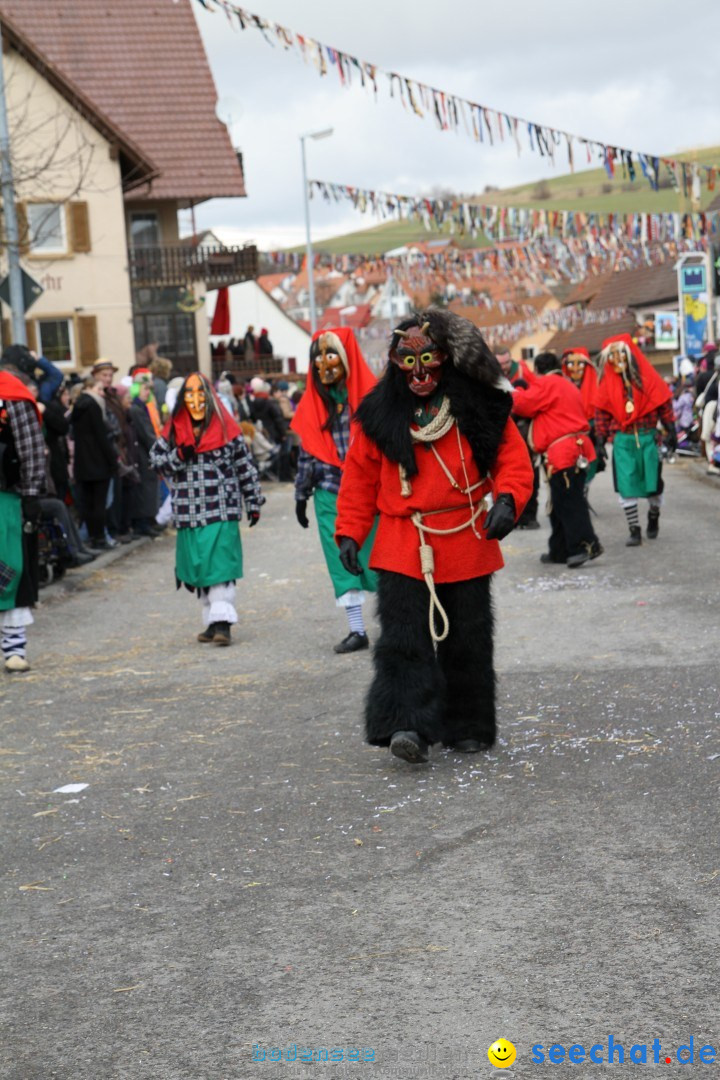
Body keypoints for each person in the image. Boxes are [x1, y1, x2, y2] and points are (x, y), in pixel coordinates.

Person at [334, 310, 533, 764]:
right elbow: (359, 478)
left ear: (445, 359)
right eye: (409, 361)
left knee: (468, 638)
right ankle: (408, 726)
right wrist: (349, 531)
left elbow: (511, 460)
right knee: (404, 640)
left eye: (429, 360)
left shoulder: (476, 406)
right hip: (404, 542)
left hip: (465, 537)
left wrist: (508, 500)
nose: (420, 373)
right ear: (395, 361)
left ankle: (468, 724)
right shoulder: (379, 414)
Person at [149, 372, 262, 647]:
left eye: (201, 394)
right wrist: (179, 455)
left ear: (210, 398)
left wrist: (254, 500)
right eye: (190, 395)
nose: (196, 400)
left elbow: (244, 466)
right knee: (199, 566)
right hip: (189, 511)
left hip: (221, 507)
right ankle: (212, 622)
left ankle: (224, 624)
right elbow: (155, 461)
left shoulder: (226, 428)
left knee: (219, 565)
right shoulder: (175, 429)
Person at [292, 327, 378, 654]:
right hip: (330, 494)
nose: (325, 363)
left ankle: (398, 624)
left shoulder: (370, 399)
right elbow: (308, 451)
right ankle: (357, 630)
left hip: (370, 494)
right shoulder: (313, 404)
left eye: (331, 355)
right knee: (340, 562)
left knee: (381, 559)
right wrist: (301, 495)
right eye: (318, 356)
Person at [512, 351, 602, 567]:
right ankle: (560, 549)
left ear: (538, 371)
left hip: (563, 452)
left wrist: (517, 390)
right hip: (576, 448)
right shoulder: (567, 384)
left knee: (569, 502)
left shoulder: (548, 384)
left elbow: (523, 405)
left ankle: (586, 545)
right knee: (561, 502)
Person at [595, 334, 676, 545]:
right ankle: (634, 530)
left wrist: (671, 429)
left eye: (620, 353)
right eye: (611, 355)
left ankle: (653, 514)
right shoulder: (606, 385)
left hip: (649, 439)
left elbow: (664, 405)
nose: (617, 359)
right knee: (626, 485)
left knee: (654, 486)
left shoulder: (649, 380)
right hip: (623, 441)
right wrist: (600, 442)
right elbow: (602, 415)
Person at [0, 365, 46, 672]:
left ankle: (13, 647)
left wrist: (31, 493)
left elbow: (30, 448)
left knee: (9, 568)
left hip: (6, 495)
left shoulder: (11, 393)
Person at [70, 367, 118, 551]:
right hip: (97, 463)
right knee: (99, 504)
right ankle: (99, 538)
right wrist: (112, 461)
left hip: (83, 463)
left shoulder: (79, 407)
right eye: (99, 389)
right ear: (90, 388)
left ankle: (93, 537)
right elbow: (101, 436)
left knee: (89, 504)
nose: (101, 394)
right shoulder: (93, 406)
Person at [495, 346, 539, 529]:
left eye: (506, 362)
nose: (504, 367)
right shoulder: (489, 373)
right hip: (502, 429)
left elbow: (535, 394)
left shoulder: (522, 370)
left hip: (523, 427)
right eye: (501, 363)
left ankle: (529, 516)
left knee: (527, 473)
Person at [129, 380, 161, 537]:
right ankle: (144, 523)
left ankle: (148, 520)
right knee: (145, 489)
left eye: (149, 389)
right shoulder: (137, 409)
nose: (147, 392)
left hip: (144, 453)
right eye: (144, 389)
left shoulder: (141, 408)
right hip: (142, 455)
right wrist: (157, 449)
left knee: (148, 488)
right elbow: (147, 434)